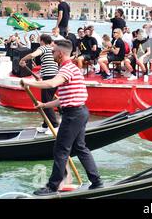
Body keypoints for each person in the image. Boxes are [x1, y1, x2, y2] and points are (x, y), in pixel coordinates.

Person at [21, 39, 103, 196]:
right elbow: (65, 97)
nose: (52, 54)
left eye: (53, 52)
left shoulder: (66, 69)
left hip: (73, 115)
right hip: (80, 112)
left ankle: (52, 187)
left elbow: (52, 84)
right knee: (80, 148)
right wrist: (45, 105)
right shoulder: (72, 68)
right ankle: (97, 181)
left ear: (60, 53)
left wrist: (29, 83)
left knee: (60, 150)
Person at [19, 34, 59, 134]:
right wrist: (39, 75)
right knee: (46, 100)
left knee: (46, 102)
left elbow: (33, 55)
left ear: (42, 41)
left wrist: (22, 59)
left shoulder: (43, 47)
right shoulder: (52, 49)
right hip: (53, 76)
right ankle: (46, 125)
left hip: (49, 77)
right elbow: (47, 65)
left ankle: (54, 126)